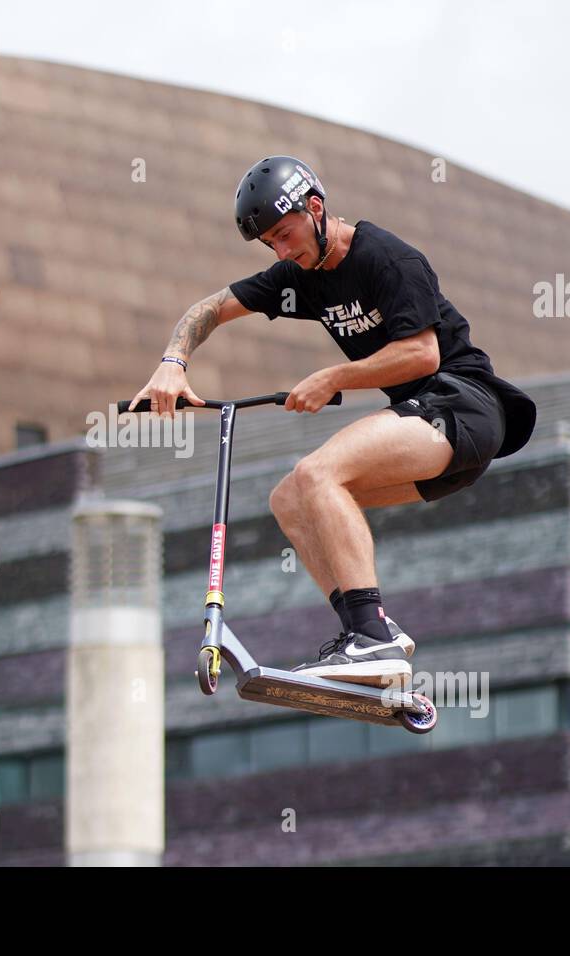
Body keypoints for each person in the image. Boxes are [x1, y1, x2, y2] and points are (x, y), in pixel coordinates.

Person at [126, 155, 537, 688]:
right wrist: (172, 362)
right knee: (291, 497)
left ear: (315, 208)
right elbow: (209, 309)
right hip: (430, 434)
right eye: (269, 243)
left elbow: (422, 355)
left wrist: (333, 378)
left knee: (319, 472)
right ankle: (368, 634)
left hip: (462, 405)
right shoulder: (297, 276)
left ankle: (375, 638)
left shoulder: (387, 258)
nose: (281, 250)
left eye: (285, 233)